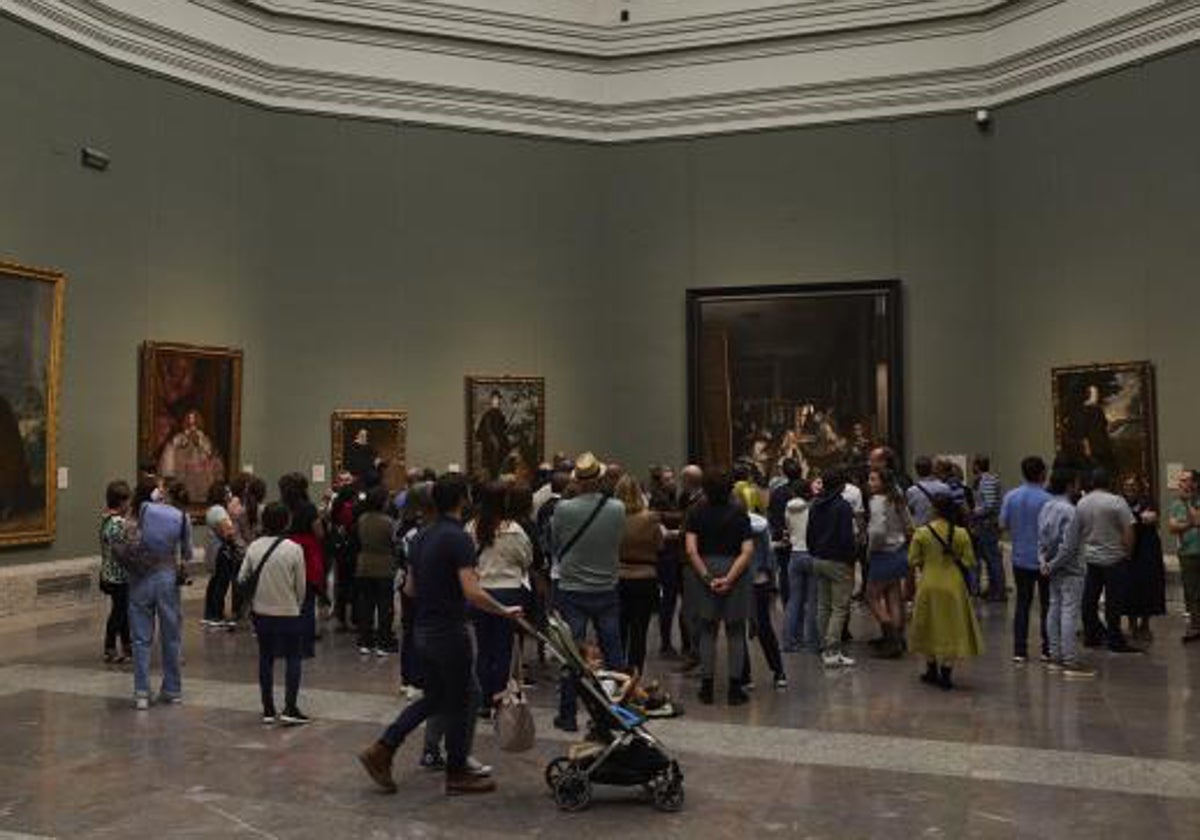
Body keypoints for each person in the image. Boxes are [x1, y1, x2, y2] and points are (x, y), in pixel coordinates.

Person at [357, 473, 521, 796]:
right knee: (466, 698)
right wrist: (504, 611)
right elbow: (472, 592)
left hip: (422, 630)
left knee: (436, 697)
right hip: (449, 631)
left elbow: (410, 588)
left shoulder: (421, 536)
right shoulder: (458, 538)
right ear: (463, 500)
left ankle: (384, 747)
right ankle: (457, 770)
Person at [551, 452, 627, 731]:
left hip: (572, 587)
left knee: (572, 653)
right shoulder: (617, 508)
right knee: (613, 651)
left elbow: (555, 544)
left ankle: (568, 714)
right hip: (607, 586)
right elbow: (618, 540)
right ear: (600, 478)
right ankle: (618, 710)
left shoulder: (563, 509)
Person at [684, 468, 754, 705]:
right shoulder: (739, 513)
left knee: (707, 630)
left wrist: (706, 577)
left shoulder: (695, 512)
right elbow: (747, 551)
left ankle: (707, 687)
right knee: (735, 632)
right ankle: (735, 688)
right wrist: (730, 578)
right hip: (735, 569)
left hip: (705, 567)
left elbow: (691, 549)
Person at [238, 502, 310, 725]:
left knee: (266, 657)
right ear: (286, 521)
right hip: (288, 611)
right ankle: (290, 706)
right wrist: (296, 605)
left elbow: (242, 578)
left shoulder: (254, 547)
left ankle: (268, 708)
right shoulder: (294, 548)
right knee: (293, 657)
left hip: (262, 611)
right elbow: (301, 586)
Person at [466, 481, 533, 714]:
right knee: (503, 648)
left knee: (483, 649)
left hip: (480, 591)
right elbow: (526, 559)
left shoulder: (471, 527)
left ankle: (483, 700)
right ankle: (498, 698)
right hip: (508, 591)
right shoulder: (514, 529)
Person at [128, 477, 193, 710]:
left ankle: (142, 692)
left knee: (140, 638)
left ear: (163, 493)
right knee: (171, 635)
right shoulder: (183, 518)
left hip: (141, 577)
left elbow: (133, 531)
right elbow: (187, 554)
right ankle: (173, 689)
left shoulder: (145, 508)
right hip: (167, 578)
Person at [908, 494, 983, 690]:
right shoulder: (961, 534)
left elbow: (913, 559)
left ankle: (931, 669)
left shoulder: (921, 533)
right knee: (952, 627)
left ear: (934, 510)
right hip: (953, 585)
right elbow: (969, 561)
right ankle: (946, 674)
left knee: (928, 624)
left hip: (929, 583)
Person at [1075, 468, 1138, 653]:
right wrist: (1128, 552)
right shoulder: (1116, 502)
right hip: (1114, 559)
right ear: (1109, 483)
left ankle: (1091, 636)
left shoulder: (1082, 502)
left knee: (1089, 599)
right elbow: (1128, 530)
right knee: (1114, 602)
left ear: (1093, 483)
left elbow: (1078, 530)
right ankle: (1114, 639)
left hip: (1091, 558)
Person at [1038, 468, 1093, 677]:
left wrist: (1044, 562)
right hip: (1070, 569)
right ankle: (1070, 660)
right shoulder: (1071, 511)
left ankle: (1055, 656)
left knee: (1054, 609)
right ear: (1070, 485)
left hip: (1052, 567)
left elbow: (1041, 540)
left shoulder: (1046, 507)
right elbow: (1069, 547)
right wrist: (1053, 564)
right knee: (1069, 612)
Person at [999, 456, 1052, 663]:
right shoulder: (1048, 499)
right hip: (1044, 557)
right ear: (1041, 473)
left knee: (1022, 603)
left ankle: (1019, 650)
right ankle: (1047, 648)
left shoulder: (1011, 497)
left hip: (1020, 556)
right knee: (1047, 603)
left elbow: (1003, 524)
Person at [808, 471, 857, 668]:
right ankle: (832, 649)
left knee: (823, 605)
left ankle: (823, 646)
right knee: (839, 607)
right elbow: (846, 537)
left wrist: (814, 552)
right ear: (841, 486)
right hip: (838, 560)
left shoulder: (815, 505)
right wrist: (851, 558)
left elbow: (810, 532)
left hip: (818, 558)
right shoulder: (843, 507)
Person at [615, 475, 664, 675]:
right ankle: (635, 674)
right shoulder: (651, 518)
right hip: (645, 576)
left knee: (618, 630)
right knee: (639, 632)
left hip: (618, 575)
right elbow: (659, 545)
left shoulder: (612, 517)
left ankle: (616, 672)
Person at [865, 468, 910, 659]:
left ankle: (890, 637)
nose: (870, 482)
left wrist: (870, 549)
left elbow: (877, 532)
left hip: (882, 552)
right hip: (899, 551)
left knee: (871, 597)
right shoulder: (897, 497)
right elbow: (908, 523)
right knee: (893, 595)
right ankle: (899, 637)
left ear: (883, 483)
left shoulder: (877, 502)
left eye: (873, 479)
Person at [1120, 475, 1166, 642]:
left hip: (1147, 549)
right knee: (1129, 586)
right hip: (1128, 549)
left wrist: (1136, 517)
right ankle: (1131, 624)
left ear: (1139, 487)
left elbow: (1150, 518)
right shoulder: (1120, 502)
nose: (1129, 488)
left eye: (1132, 485)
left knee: (1148, 585)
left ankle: (1145, 624)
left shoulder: (1148, 500)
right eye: (1126, 485)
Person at [746, 507, 788, 688]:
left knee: (737, 630)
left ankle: (744, 676)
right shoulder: (760, 524)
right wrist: (771, 579)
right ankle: (778, 671)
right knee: (765, 626)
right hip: (759, 580)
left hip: (735, 579)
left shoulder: (726, 521)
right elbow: (768, 555)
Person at [355, 485, 398, 656]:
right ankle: (383, 642)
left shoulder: (362, 519)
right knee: (384, 605)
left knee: (366, 604)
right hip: (384, 565)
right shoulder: (388, 522)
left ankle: (365, 641)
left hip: (364, 564)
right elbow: (394, 542)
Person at [648, 466, 684, 658]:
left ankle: (673, 642)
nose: (672, 482)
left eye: (673, 478)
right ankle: (666, 643)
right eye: (668, 479)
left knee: (674, 600)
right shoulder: (658, 499)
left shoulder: (672, 497)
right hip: (667, 555)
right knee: (668, 600)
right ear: (660, 482)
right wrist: (681, 524)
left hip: (674, 553)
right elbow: (659, 525)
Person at [98, 480, 133, 664]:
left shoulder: (106, 519)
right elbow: (124, 551)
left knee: (123, 611)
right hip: (118, 576)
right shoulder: (117, 524)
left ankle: (128, 645)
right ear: (121, 502)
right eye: (127, 501)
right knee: (118, 613)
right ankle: (109, 647)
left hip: (109, 573)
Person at [783, 477, 819, 652]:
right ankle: (812, 643)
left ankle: (790, 642)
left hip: (795, 554)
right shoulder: (813, 507)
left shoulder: (788, 508)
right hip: (811, 554)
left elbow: (789, 529)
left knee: (794, 600)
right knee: (812, 601)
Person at [1167, 469, 1200, 643]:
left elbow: (1198, 520)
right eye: (1180, 480)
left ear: (1195, 483)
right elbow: (1172, 527)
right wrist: (1190, 524)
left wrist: (1188, 506)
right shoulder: (1175, 504)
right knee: (1191, 591)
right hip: (1187, 552)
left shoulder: (1191, 502)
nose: (1181, 484)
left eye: (1186, 480)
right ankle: (1195, 626)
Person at [202, 481, 240, 629]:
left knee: (214, 582)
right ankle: (216, 615)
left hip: (214, 549)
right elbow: (227, 532)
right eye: (227, 492)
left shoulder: (212, 509)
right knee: (221, 583)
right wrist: (235, 534)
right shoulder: (219, 510)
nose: (229, 495)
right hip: (221, 551)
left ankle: (210, 614)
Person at [971, 455, 1005, 601]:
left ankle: (998, 591)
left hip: (987, 525)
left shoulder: (987, 481)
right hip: (984, 525)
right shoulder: (984, 480)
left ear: (978, 466)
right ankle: (993, 589)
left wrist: (973, 513)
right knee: (989, 559)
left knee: (993, 559)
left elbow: (989, 505)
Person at [907, 456, 950, 528]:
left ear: (917, 471)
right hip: (941, 531)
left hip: (921, 530)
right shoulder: (945, 488)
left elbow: (910, 513)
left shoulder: (911, 491)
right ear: (931, 469)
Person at [475, 390, 510, 479]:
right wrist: (492, 439)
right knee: (492, 466)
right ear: (491, 400)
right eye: (494, 399)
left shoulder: (500, 415)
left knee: (501, 464)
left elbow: (503, 429)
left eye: (498, 399)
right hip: (490, 446)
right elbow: (482, 432)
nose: (496, 401)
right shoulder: (487, 415)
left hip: (500, 445)